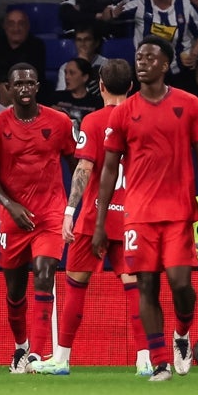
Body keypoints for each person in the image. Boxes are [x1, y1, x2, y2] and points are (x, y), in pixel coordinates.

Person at [96, 36, 198, 380]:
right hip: (138, 214)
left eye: (150, 57)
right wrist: (102, 221)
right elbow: (108, 168)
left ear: (165, 65)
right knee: (146, 285)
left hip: (178, 211)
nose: (143, 62)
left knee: (180, 285)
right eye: (139, 57)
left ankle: (181, 333)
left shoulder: (189, 104)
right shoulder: (123, 112)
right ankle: (160, 360)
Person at [31, 58, 152, 376]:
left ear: (99, 85)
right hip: (131, 218)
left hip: (94, 216)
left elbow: (83, 168)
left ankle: (61, 358)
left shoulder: (94, 122)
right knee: (135, 287)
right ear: (131, 87)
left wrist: (69, 210)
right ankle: (144, 359)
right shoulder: (143, 118)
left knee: (76, 286)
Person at [0, 63, 76, 372]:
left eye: (29, 83)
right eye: (17, 84)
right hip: (12, 218)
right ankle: (20, 345)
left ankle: (36, 353)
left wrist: (75, 206)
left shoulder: (60, 122)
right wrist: (10, 205)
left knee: (45, 273)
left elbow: (77, 164)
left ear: (37, 87)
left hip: (49, 214)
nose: (23, 89)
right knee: (15, 292)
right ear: (8, 88)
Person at [112, 0, 198, 82]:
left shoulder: (185, 5)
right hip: (146, 72)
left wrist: (194, 55)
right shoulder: (139, 2)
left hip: (179, 72)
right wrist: (110, 13)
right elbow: (112, 12)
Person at [0, 8, 46, 88]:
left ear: (27, 26)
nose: (16, 29)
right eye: (11, 24)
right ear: (5, 26)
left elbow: (32, 77)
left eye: (21, 24)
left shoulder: (37, 45)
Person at [50, 56, 102, 127]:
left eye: (72, 73)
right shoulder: (56, 98)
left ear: (85, 77)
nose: (67, 77)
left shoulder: (97, 103)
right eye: (66, 73)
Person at [55, 25, 107, 95]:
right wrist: (81, 63)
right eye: (79, 40)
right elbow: (61, 95)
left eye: (87, 39)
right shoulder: (66, 67)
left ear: (96, 43)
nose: (82, 44)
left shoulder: (107, 65)